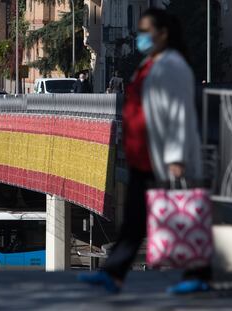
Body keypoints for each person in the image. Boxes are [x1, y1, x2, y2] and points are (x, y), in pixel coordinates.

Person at [79, 8, 211, 295]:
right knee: (136, 219)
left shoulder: (172, 66)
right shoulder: (152, 63)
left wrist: (175, 157)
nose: (141, 37)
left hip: (164, 156)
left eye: (146, 31)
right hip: (144, 153)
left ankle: (200, 274)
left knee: (182, 213)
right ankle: (113, 274)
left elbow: (178, 112)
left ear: (162, 34)